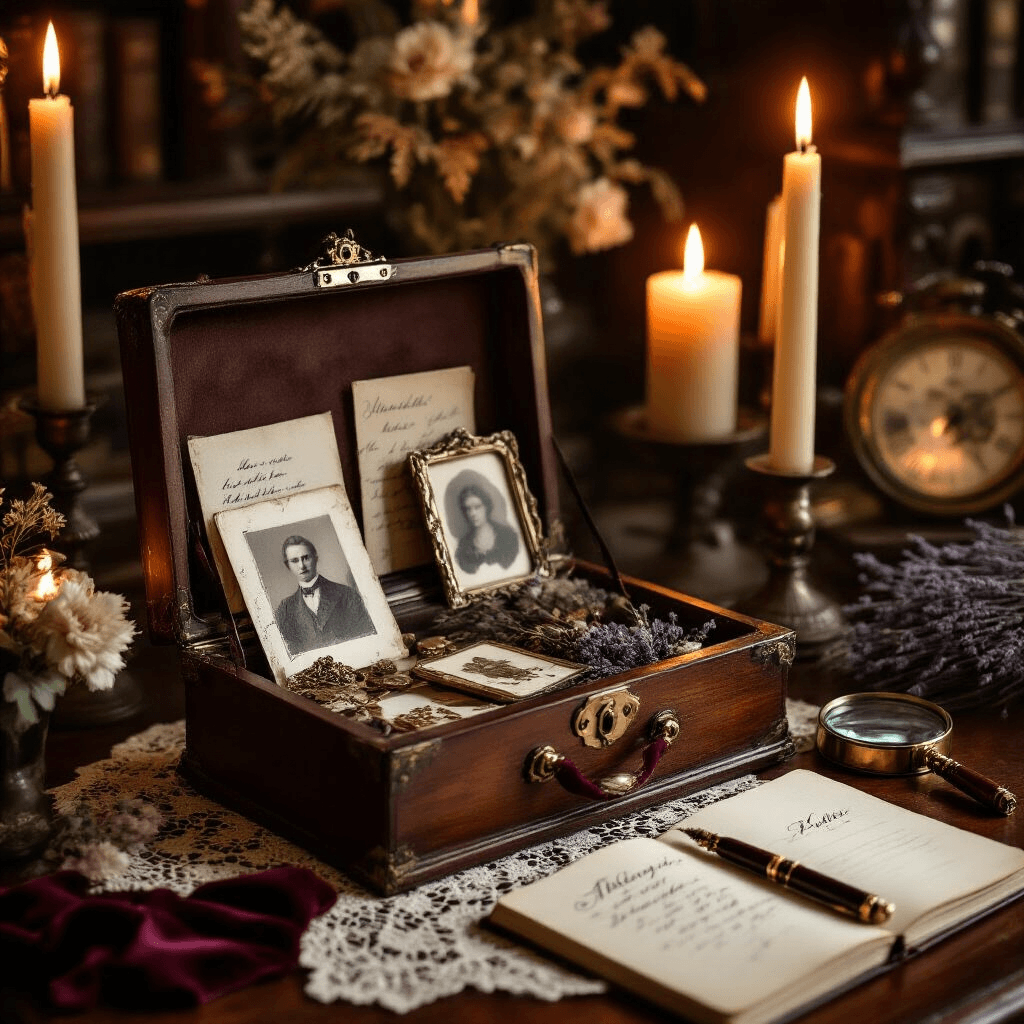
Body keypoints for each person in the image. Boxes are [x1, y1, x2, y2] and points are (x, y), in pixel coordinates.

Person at [274, 535, 374, 656]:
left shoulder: (347, 594)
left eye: (306, 558)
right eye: (294, 561)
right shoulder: (284, 609)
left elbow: (367, 637)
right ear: (287, 565)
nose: (302, 566)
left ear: (316, 558)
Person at [452, 483, 520, 575]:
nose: (472, 513)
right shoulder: (463, 545)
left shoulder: (508, 535)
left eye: (477, 507)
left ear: (486, 507)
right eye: (468, 509)